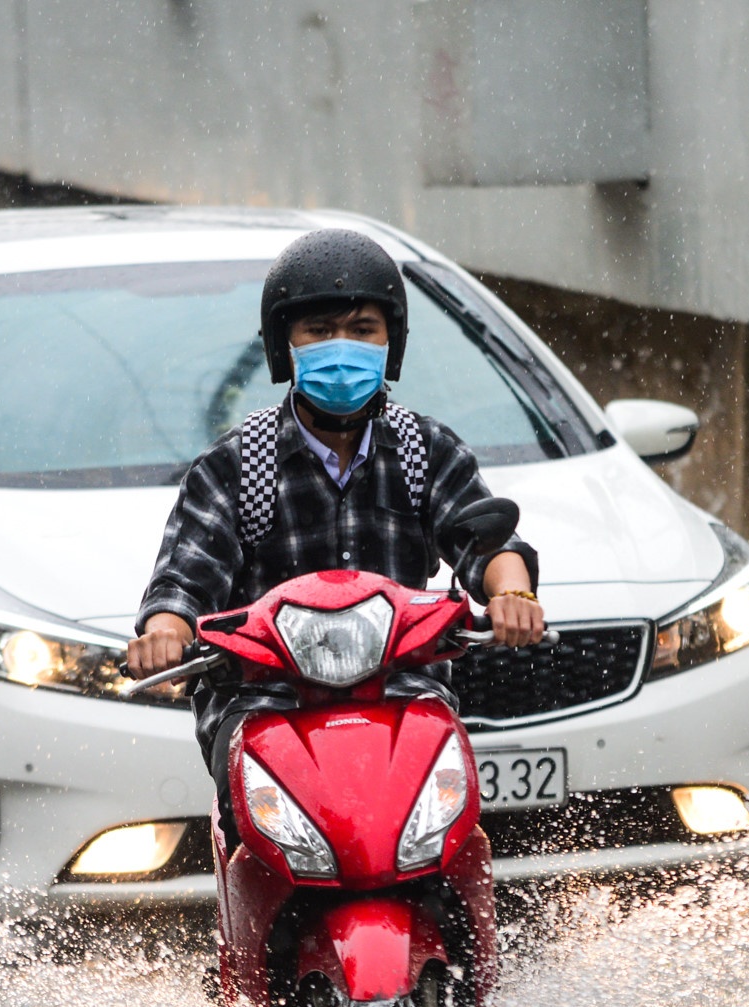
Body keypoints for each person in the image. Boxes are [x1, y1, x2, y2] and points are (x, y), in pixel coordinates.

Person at [127, 228, 545, 847]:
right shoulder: (233, 465)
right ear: (284, 347)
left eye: (362, 329)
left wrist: (513, 595)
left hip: (404, 696)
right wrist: (165, 632)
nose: (342, 347)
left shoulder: (424, 450)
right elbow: (184, 579)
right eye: (319, 332)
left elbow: (488, 541)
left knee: (452, 835)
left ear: (391, 343)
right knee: (267, 842)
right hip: (266, 705)